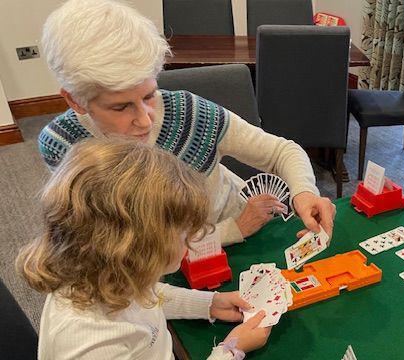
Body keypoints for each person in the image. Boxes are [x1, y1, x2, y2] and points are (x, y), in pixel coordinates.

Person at [37, 0, 335, 247]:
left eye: (149, 94)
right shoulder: (62, 145)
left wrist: (304, 192)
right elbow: (121, 244)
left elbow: (282, 152)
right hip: (167, 258)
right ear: (76, 100)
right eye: (121, 106)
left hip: (237, 229)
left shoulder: (188, 112)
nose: (144, 119)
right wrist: (233, 230)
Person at [17, 138, 271, 359]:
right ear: (138, 246)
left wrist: (210, 303)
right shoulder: (91, 342)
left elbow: (146, 296)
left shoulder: (108, 272)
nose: (193, 237)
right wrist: (230, 350)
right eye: (184, 232)